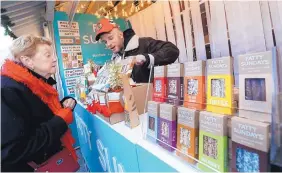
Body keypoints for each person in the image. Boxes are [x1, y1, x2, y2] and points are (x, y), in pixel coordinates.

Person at [1, 35, 78, 172]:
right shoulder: (8, 91)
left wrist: (60, 107)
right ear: (28, 61)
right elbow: (13, 151)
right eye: (48, 55)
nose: (55, 58)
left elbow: (36, 118)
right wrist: (60, 120)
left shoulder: (33, 83)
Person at [95, 18, 179, 83]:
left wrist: (147, 58)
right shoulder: (116, 57)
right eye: (105, 42)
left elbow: (172, 50)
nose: (108, 44)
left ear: (120, 34)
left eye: (110, 38)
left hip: (149, 99)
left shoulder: (143, 43)